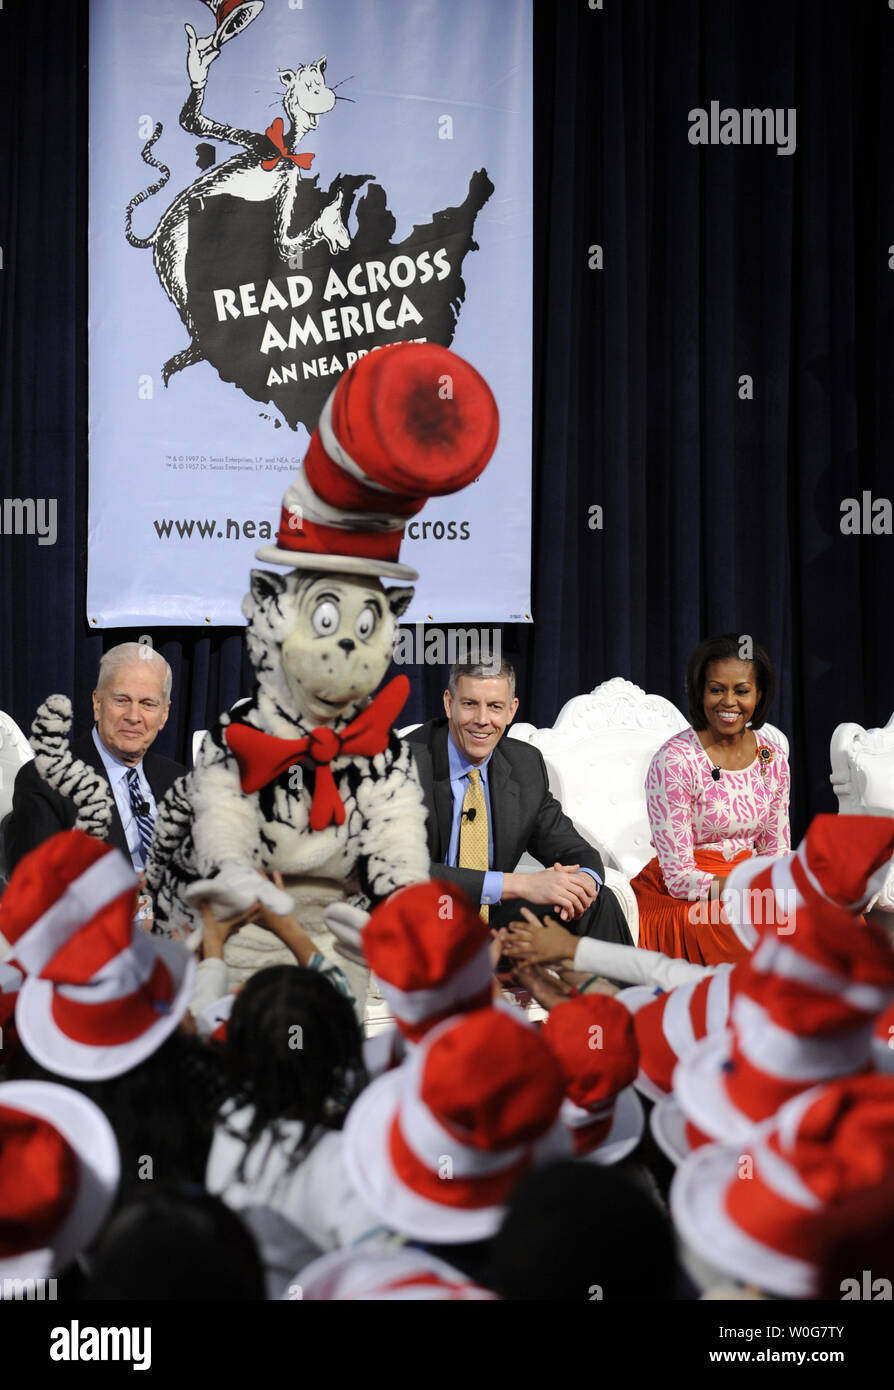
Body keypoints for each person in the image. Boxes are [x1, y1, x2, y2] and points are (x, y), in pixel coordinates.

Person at [402, 660, 633, 945]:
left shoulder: (524, 766)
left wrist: (582, 883)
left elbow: (575, 851)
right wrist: (521, 885)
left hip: (489, 923)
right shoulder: (401, 764)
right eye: (471, 704)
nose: (482, 719)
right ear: (449, 704)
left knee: (598, 903)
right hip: (419, 917)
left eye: (495, 707)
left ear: (511, 710)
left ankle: (621, 991)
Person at [629, 634, 790, 965]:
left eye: (741, 690)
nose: (728, 702)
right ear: (700, 692)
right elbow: (678, 878)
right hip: (689, 897)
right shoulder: (675, 760)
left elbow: (776, 851)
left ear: (759, 695)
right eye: (717, 689)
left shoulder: (770, 757)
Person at [5, 642, 185, 875]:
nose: (133, 716)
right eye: (121, 700)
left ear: (164, 715)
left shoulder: (178, 779)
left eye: (148, 704)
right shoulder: (45, 780)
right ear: (97, 703)